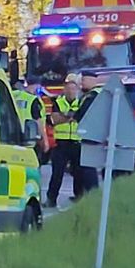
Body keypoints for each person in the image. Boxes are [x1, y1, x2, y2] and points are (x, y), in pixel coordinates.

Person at [45, 75, 81, 207]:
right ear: (64, 89)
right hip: (61, 143)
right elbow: (54, 119)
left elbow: (83, 117)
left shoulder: (82, 101)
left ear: (77, 89)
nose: (71, 91)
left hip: (77, 142)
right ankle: (51, 199)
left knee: (78, 173)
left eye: (73, 88)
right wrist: (72, 116)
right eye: (69, 88)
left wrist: (64, 115)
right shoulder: (58, 102)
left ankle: (79, 197)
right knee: (57, 173)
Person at [74, 71, 102, 192]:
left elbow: (82, 114)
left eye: (84, 80)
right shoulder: (96, 94)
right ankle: (84, 192)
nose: (81, 83)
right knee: (85, 167)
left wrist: (74, 115)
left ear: (92, 80)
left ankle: (92, 192)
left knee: (88, 167)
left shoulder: (92, 96)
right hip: (93, 134)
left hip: (90, 135)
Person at [11, 76, 49, 158]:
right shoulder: (33, 99)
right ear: (36, 85)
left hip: (12, 136)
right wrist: (45, 141)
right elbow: (38, 121)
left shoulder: (14, 95)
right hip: (30, 138)